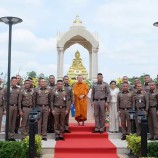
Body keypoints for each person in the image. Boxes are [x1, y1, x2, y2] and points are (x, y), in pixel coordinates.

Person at [4, 76, 20, 141]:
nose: (15, 82)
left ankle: (12, 136)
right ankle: (7, 136)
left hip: (15, 107)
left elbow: (19, 100)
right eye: (13, 81)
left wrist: (19, 109)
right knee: (8, 122)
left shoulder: (18, 89)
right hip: (9, 106)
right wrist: (5, 109)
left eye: (16, 81)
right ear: (11, 81)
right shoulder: (7, 89)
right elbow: (4, 99)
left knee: (13, 122)